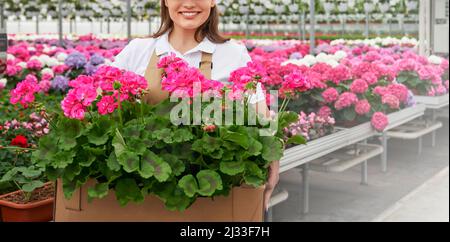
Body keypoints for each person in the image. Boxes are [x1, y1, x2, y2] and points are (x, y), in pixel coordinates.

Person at [112, 0, 279, 212]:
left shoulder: (233, 53)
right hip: (142, 187)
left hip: (210, 197)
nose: (189, 3)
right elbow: (101, 98)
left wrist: (274, 154)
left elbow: (262, 117)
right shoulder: (138, 50)